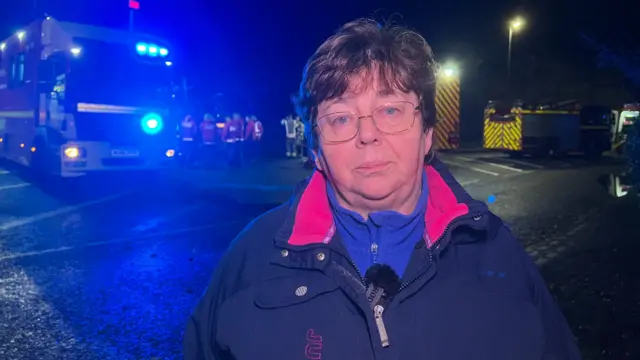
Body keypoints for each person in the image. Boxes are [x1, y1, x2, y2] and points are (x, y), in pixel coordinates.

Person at [184, 19, 581, 360]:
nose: (368, 134)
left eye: (390, 110)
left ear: (427, 134)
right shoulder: (250, 259)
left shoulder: (499, 255)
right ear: (316, 149)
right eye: (340, 118)